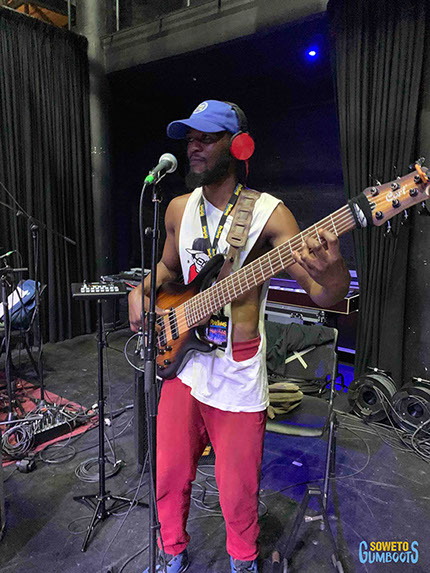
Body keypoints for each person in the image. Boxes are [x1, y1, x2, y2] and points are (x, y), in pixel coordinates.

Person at [129, 100, 351, 573]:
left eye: (207, 138)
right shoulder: (177, 208)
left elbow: (323, 294)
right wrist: (140, 290)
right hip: (184, 365)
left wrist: (335, 274)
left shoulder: (269, 214)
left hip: (236, 372)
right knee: (169, 474)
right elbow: (168, 267)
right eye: (190, 138)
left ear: (239, 145)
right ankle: (172, 552)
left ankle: (243, 560)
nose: (194, 147)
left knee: (237, 489)